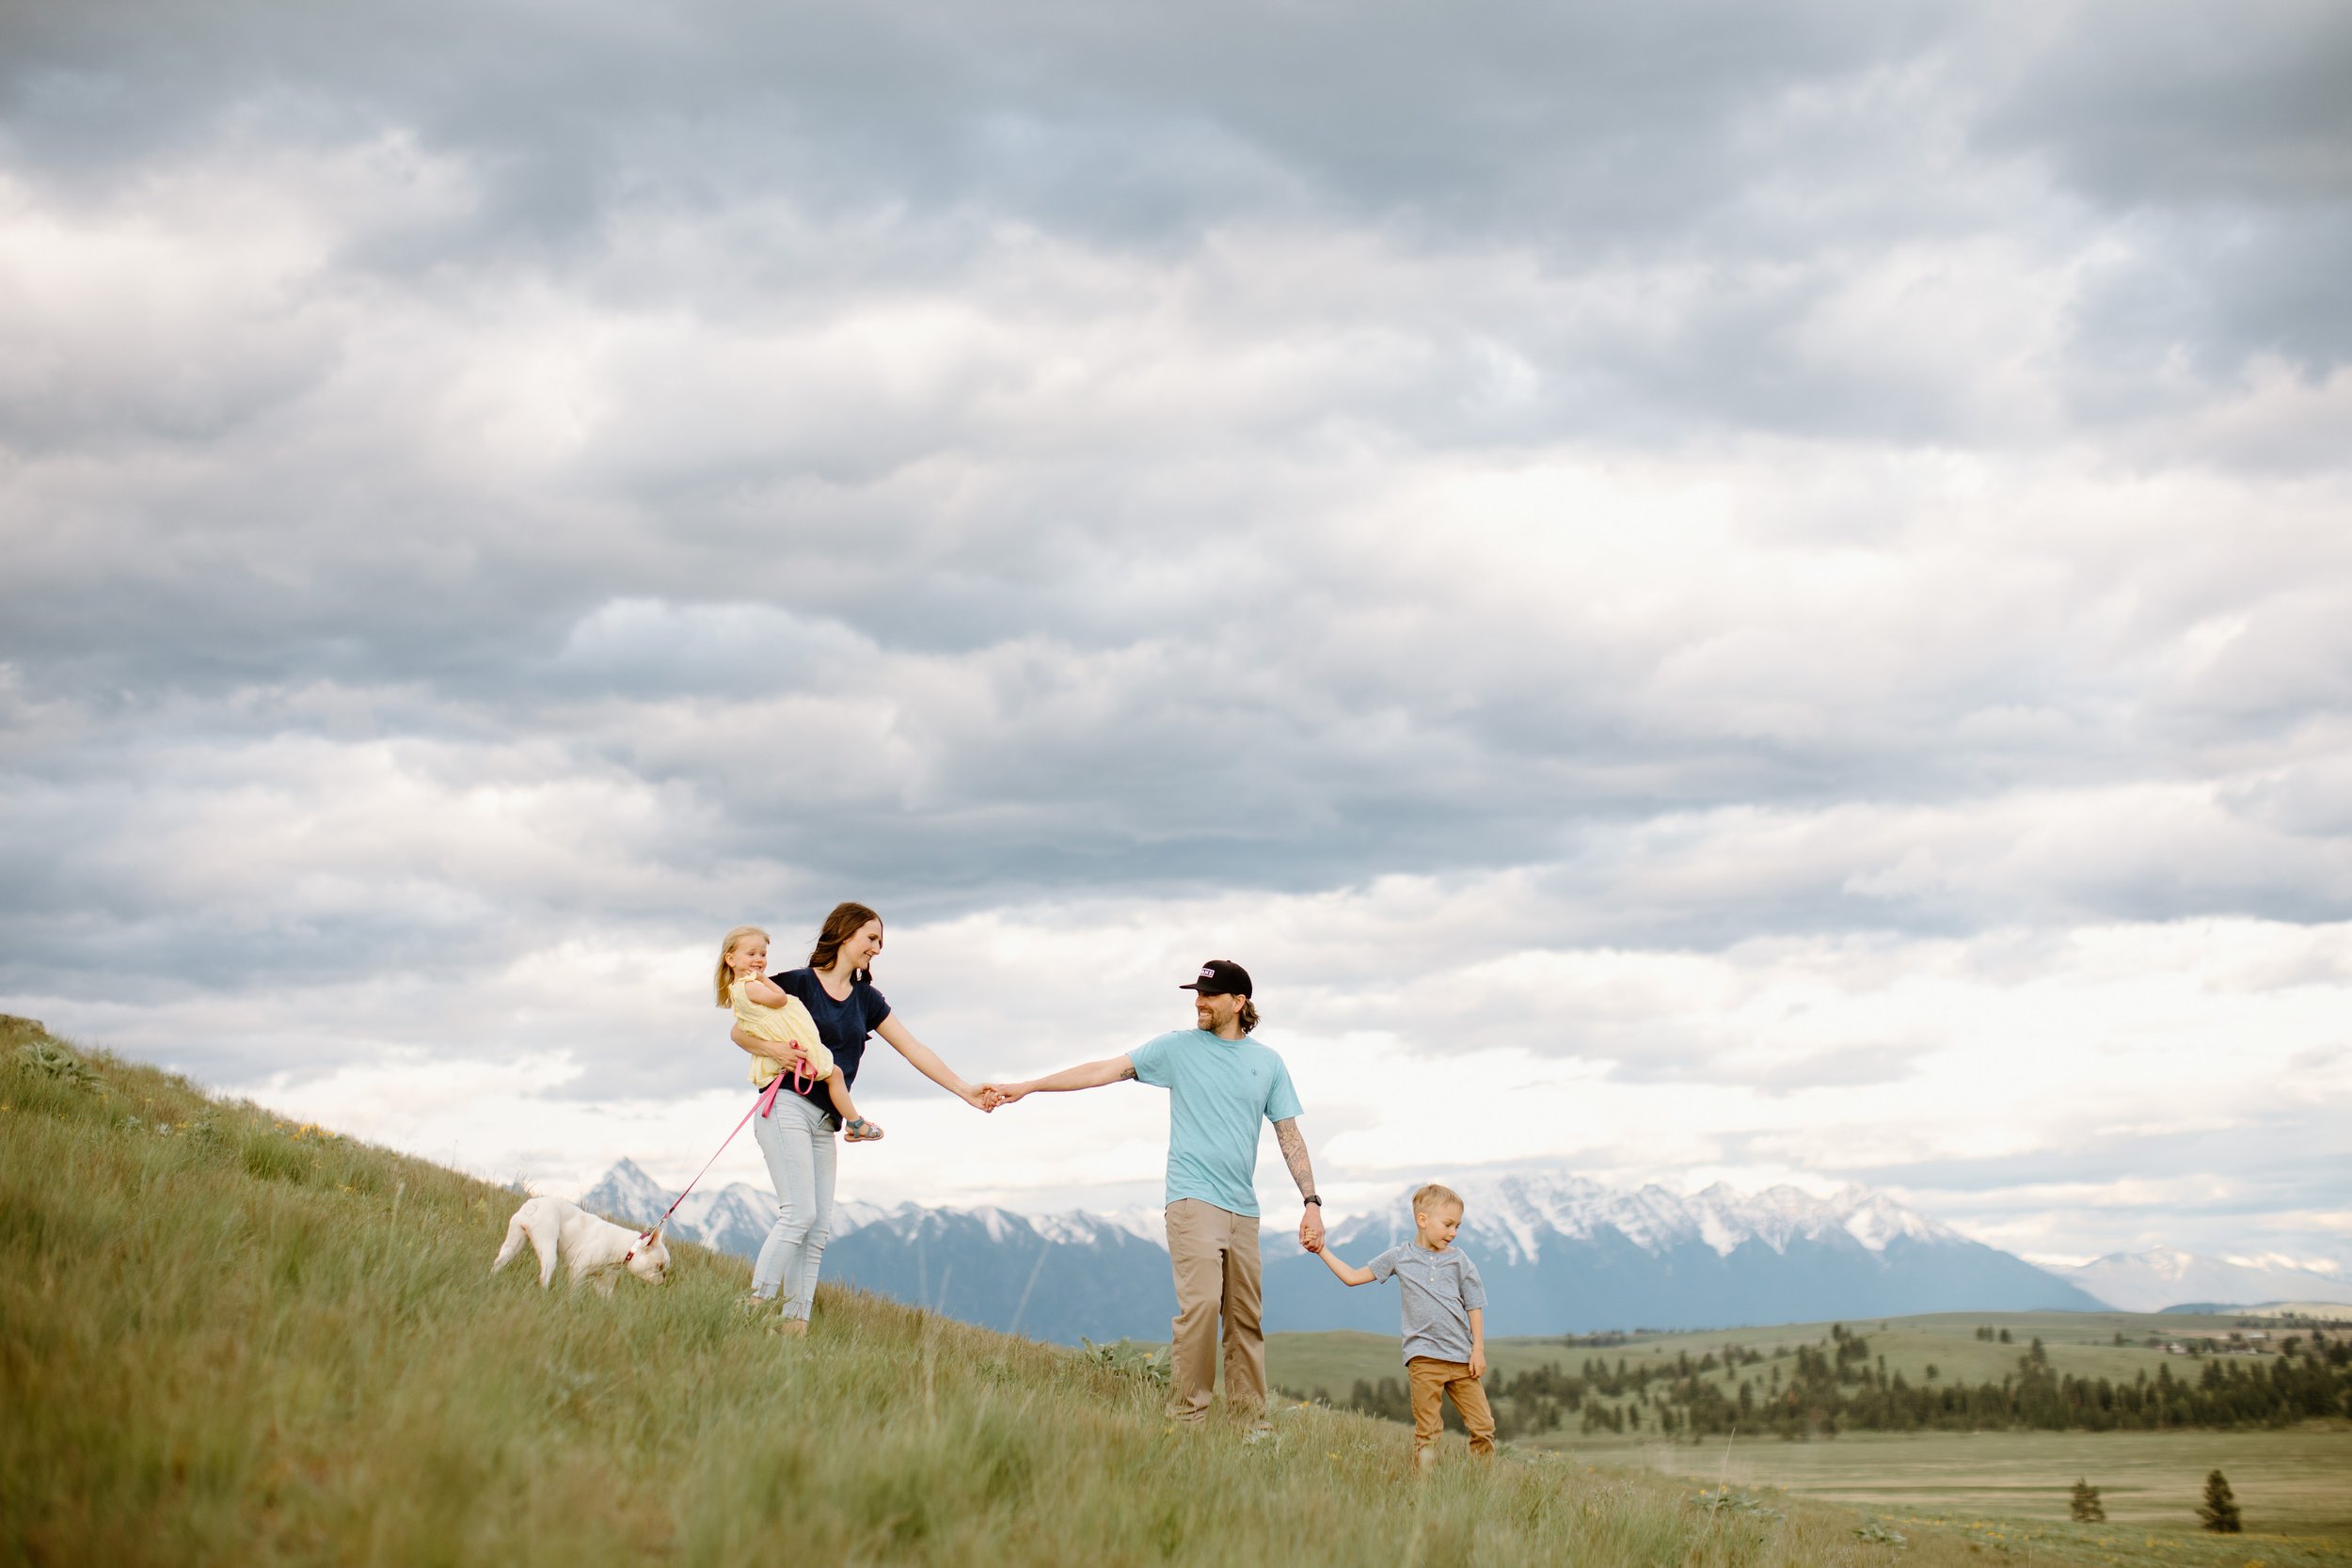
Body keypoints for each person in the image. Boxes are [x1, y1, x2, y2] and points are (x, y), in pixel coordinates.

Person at [983, 958, 1325, 1433]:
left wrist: (1311, 1202)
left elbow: (1289, 1134)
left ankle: (1251, 1431)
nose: (1198, 1002)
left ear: (1238, 1002)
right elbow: (1105, 1069)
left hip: (1244, 1211)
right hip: (1192, 1198)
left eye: (1208, 995)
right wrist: (1030, 1086)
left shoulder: (1268, 1063)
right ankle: (1186, 1423)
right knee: (1201, 1308)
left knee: (1246, 1321)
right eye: (1197, 994)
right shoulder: (1177, 1048)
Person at [729, 901, 993, 1333]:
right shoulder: (796, 983)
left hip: (826, 1121)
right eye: (871, 938)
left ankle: (794, 1328)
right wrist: (774, 1049)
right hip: (786, 1104)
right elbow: (740, 1029)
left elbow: (913, 1048)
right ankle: (750, 1309)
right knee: (798, 1214)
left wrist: (965, 1090)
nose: (877, 948)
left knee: (817, 1228)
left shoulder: (866, 1000)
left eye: (880, 941)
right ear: (845, 934)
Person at [1306, 1180, 1494, 1468]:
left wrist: (1477, 1350)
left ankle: (1480, 1484)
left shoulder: (1460, 1261)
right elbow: (1352, 1277)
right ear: (1422, 1220)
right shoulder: (1399, 1257)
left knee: (1483, 1427)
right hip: (1423, 1359)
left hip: (1462, 1358)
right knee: (1428, 1432)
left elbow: (1474, 1304)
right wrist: (1321, 1250)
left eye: (1458, 1226)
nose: (1454, 1232)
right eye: (1448, 1225)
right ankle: (1423, 1489)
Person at [716, 924, 882, 1141]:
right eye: (751, 954)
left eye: (763, 954)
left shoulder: (740, 988)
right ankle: (855, 1122)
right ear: (731, 959)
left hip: (792, 1055)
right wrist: (765, 980)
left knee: (834, 1075)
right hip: (795, 1058)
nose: (759, 959)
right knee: (835, 1074)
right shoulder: (751, 986)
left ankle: (853, 1121)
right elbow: (780, 999)